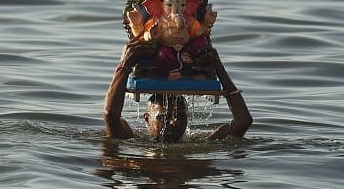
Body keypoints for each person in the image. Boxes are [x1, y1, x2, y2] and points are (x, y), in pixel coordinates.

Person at [103, 38, 252, 142]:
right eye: (163, 117)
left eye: (180, 117)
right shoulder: (131, 140)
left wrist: (218, 67)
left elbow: (243, 122)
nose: (174, 123)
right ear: (147, 119)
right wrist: (124, 65)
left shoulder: (199, 143)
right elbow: (110, 115)